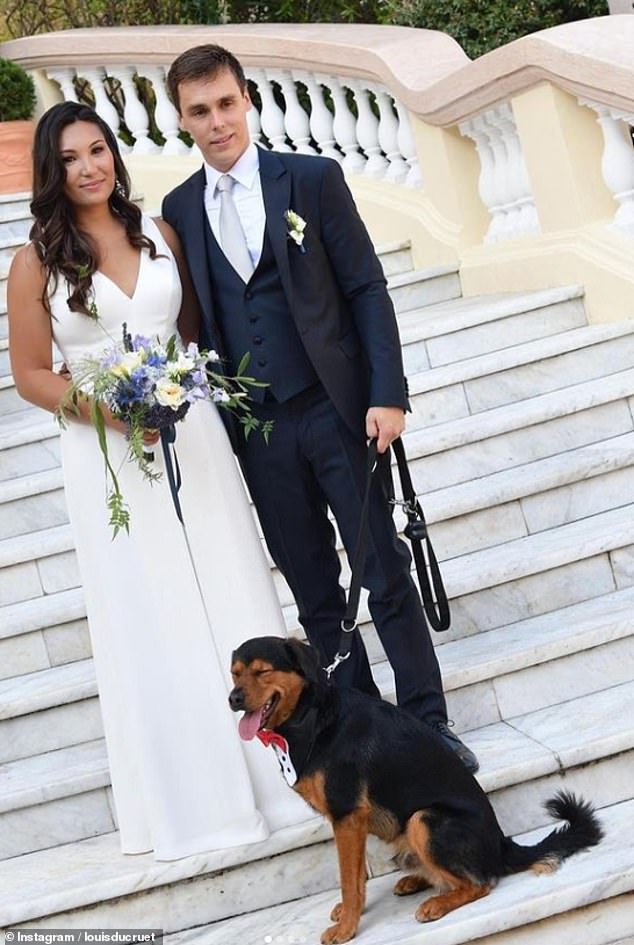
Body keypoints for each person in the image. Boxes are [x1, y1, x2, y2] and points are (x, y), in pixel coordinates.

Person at [7, 101, 312, 861]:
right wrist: (111, 412)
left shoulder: (161, 233)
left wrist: (182, 389)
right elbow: (29, 375)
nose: (90, 166)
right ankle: (197, 800)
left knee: (230, 581)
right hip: (109, 452)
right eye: (72, 157)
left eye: (99, 149)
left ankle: (279, 776)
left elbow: (195, 332)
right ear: (53, 171)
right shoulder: (35, 261)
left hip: (192, 432)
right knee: (155, 608)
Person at [162, 45, 478, 773]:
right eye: (200, 111)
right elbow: (195, 324)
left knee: (384, 573)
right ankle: (360, 731)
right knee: (313, 592)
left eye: (226, 104)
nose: (217, 123)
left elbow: (367, 287)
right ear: (181, 119)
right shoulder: (179, 210)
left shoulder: (312, 178)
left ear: (248, 100)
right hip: (261, 432)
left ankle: (430, 723)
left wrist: (386, 393)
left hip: (338, 410)